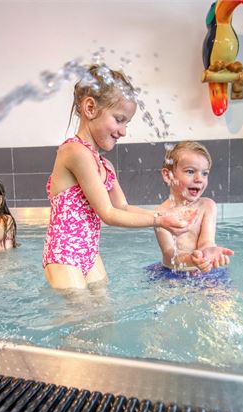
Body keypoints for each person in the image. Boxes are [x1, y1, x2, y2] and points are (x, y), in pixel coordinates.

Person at [43, 64, 195, 290]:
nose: (123, 131)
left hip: (90, 255)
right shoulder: (74, 152)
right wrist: (159, 220)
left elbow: (122, 207)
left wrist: (164, 214)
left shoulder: (106, 166)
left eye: (127, 123)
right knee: (80, 318)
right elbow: (108, 213)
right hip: (64, 255)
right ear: (90, 108)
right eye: (119, 119)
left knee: (104, 317)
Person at [153, 141, 233, 275]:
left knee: (225, 295)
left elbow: (206, 241)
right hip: (173, 273)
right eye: (190, 171)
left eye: (204, 173)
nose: (199, 179)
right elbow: (169, 254)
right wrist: (191, 260)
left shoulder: (207, 206)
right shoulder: (160, 214)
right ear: (168, 175)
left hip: (205, 269)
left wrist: (208, 253)